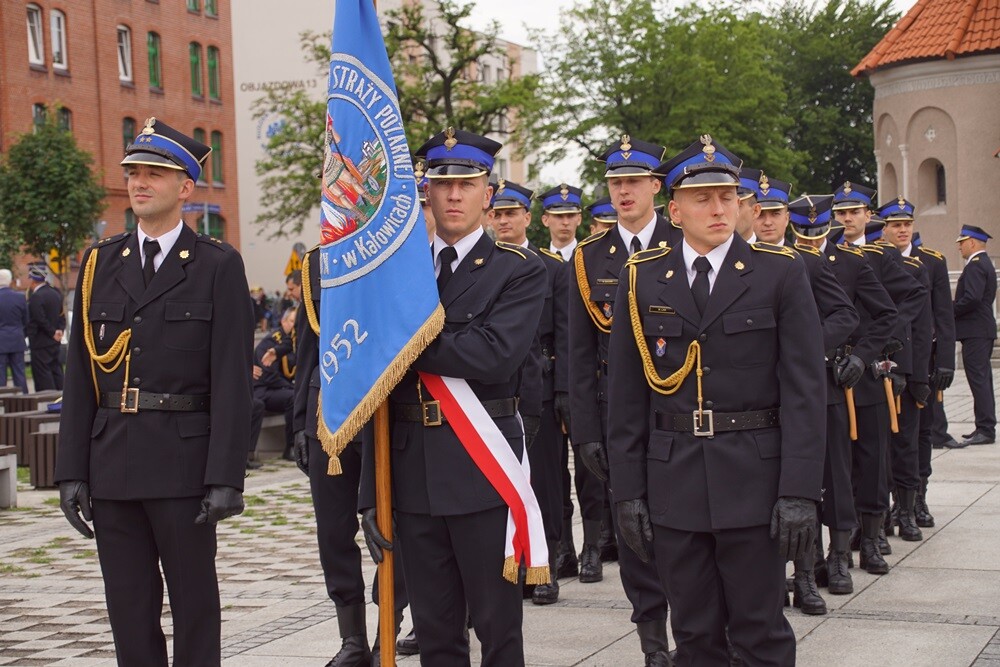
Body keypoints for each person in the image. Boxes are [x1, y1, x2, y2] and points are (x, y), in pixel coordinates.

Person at [607, 135, 826, 665]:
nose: (719, 209)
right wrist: (627, 493)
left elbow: (805, 392)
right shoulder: (642, 278)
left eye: (728, 197)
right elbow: (626, 399)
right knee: (694, 633)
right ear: (675, 210)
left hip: (755, 481)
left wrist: (799, 492)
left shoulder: (779, 272)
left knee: (760, 632)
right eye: (703, 199)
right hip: (674, 481)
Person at [53, 117, 253, 666]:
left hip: (184, 466)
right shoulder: (101, 261)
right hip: (112, 461)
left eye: (154, 174)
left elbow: (232, 380)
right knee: (128, 608)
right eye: (133, 172)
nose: (139, 183)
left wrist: (225, 476)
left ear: (186, 188)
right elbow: (80, 374)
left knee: (194, 605)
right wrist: (71, 470)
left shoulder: (217, 265)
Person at [358, 128, 546, 667]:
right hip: (410, 473)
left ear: (489, 193)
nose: (455, 195)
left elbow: (494, 356)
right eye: (443, 185)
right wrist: (371, 492)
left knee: (497, 629)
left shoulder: (518, 270)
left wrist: (403, 339)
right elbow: (376, 388)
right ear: (428, 192)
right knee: (436, 635)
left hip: (481, 470)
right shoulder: (399, 273)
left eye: (467, 184)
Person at [569, 135, 676, 665]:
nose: (624, 191)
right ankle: (653, 644)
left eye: (634, 181)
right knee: (633, 528)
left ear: (656, 186)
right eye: (615, 183)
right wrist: (587, 431)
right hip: (617, 415)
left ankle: (702, 634)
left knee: (686, 527)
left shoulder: (684, 242)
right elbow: (578, 354)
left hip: (677, 405)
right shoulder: (590, 257)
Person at [291, 246, 409, 667]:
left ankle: (386, 632)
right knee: (333, 532)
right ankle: (352, 639)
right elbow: (308, 352)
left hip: (389, 413)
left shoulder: (402, 251)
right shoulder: (318, 263)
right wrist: (300, 423)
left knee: (391, 528)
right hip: (328, 418)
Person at [753, 182, 859, 616]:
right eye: (760, 212)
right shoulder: (737, 263)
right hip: (752, 399)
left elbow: (845, 314)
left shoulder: (805, 262)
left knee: (804, 484)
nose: (767, 221)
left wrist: (806, 347)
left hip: (799, 392)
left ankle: (806, 577)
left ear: (787, 218)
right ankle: (770, 580)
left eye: (775, 213)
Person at [954, 225, 997, 446]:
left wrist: (948, 310)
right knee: (982, 380)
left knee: (979, 380)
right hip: (980, 330)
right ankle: (984, 426)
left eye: (961, 243)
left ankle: (986, 429)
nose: (959, 247)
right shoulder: (983, 264)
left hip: (976, 331)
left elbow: (971, 298)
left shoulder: (976, 266)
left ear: (971, 242)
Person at [253, 308, 297, 461]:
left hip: (278, 389)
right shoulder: (271, 341)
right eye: (292, 321)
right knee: (294, 397)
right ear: (283, 321)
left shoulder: (291, 341)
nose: (294, 325)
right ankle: (291, 447)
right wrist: (292, 387)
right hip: (263, 390)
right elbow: (269, 376)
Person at [26, 265, 65, 390]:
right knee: (56, 370)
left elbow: (39, 318)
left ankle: (47, 397)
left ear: (33, 280)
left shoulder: (36, 296)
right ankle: (61, 395)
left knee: (43, 374)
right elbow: (61, 314)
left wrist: (52, 332)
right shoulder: (56, 293)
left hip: (41, 340)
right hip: (55, 340)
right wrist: (60, 331)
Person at [0, 269, 29, 393]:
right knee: (19, 373)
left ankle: (2, 400)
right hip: (17, 339)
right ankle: (24, 399)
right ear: (10, 281)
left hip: (1, 341)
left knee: (1, 376)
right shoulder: (20, 297)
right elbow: (26, 320)